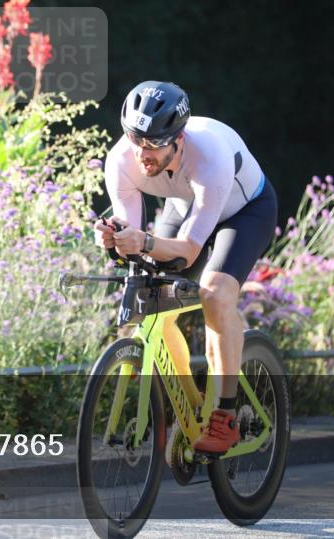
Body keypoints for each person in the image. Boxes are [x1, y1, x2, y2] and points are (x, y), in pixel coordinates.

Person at [94, 80, 278, 454]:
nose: (142, 153)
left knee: (214, 293)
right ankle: (193, 405)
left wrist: (144, 241)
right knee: (153, 293)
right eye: (135, 140)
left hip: (244, 212)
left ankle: (225, 416)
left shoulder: (209, 156)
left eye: (153, 145)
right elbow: (132, 237)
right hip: (186, 206)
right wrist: (116, 239)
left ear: (178, 139)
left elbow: (190, 250)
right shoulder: (121, 160)